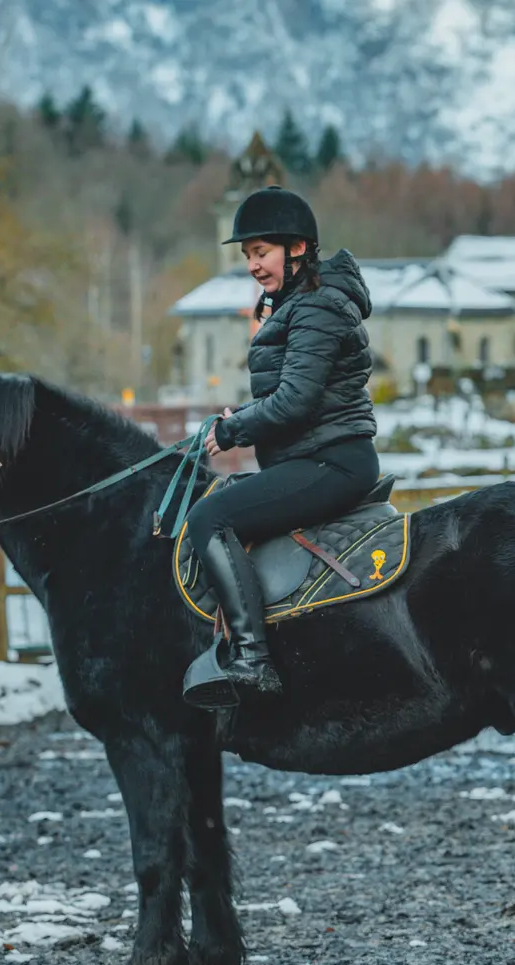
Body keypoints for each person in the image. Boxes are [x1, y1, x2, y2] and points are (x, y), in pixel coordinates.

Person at [182, 185, 379, 710]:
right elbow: (288, 399)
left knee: (209, 520)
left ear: (296, 249)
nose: (253, 265)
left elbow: (294, 402)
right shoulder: (297, 304)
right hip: (311, 456)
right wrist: (240, 420)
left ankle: (251, 658)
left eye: (261, 252)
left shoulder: (317, 305)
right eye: (247, 255)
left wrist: (232, 431)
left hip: (332, 461)